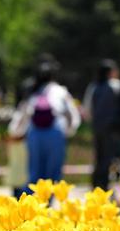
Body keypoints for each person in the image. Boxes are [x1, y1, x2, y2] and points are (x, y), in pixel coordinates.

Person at [9, 57, 80, 185]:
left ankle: (34, 201)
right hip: (56, 131)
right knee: (54, 171)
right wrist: (68, 131)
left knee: (35, 170)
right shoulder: (60, 91)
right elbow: (73, 115)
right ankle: (50, 201)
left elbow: (22, 114)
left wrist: (15, 132)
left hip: (34, 133)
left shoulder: (32, 91)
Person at [82, 59, 120, 190]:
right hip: (111, 128)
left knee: (98, 157)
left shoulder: (93, 87)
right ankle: (105, 185)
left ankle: (96, 185)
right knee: (109, 157)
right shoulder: (116, 85)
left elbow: (87, 110)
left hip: (97, 127)